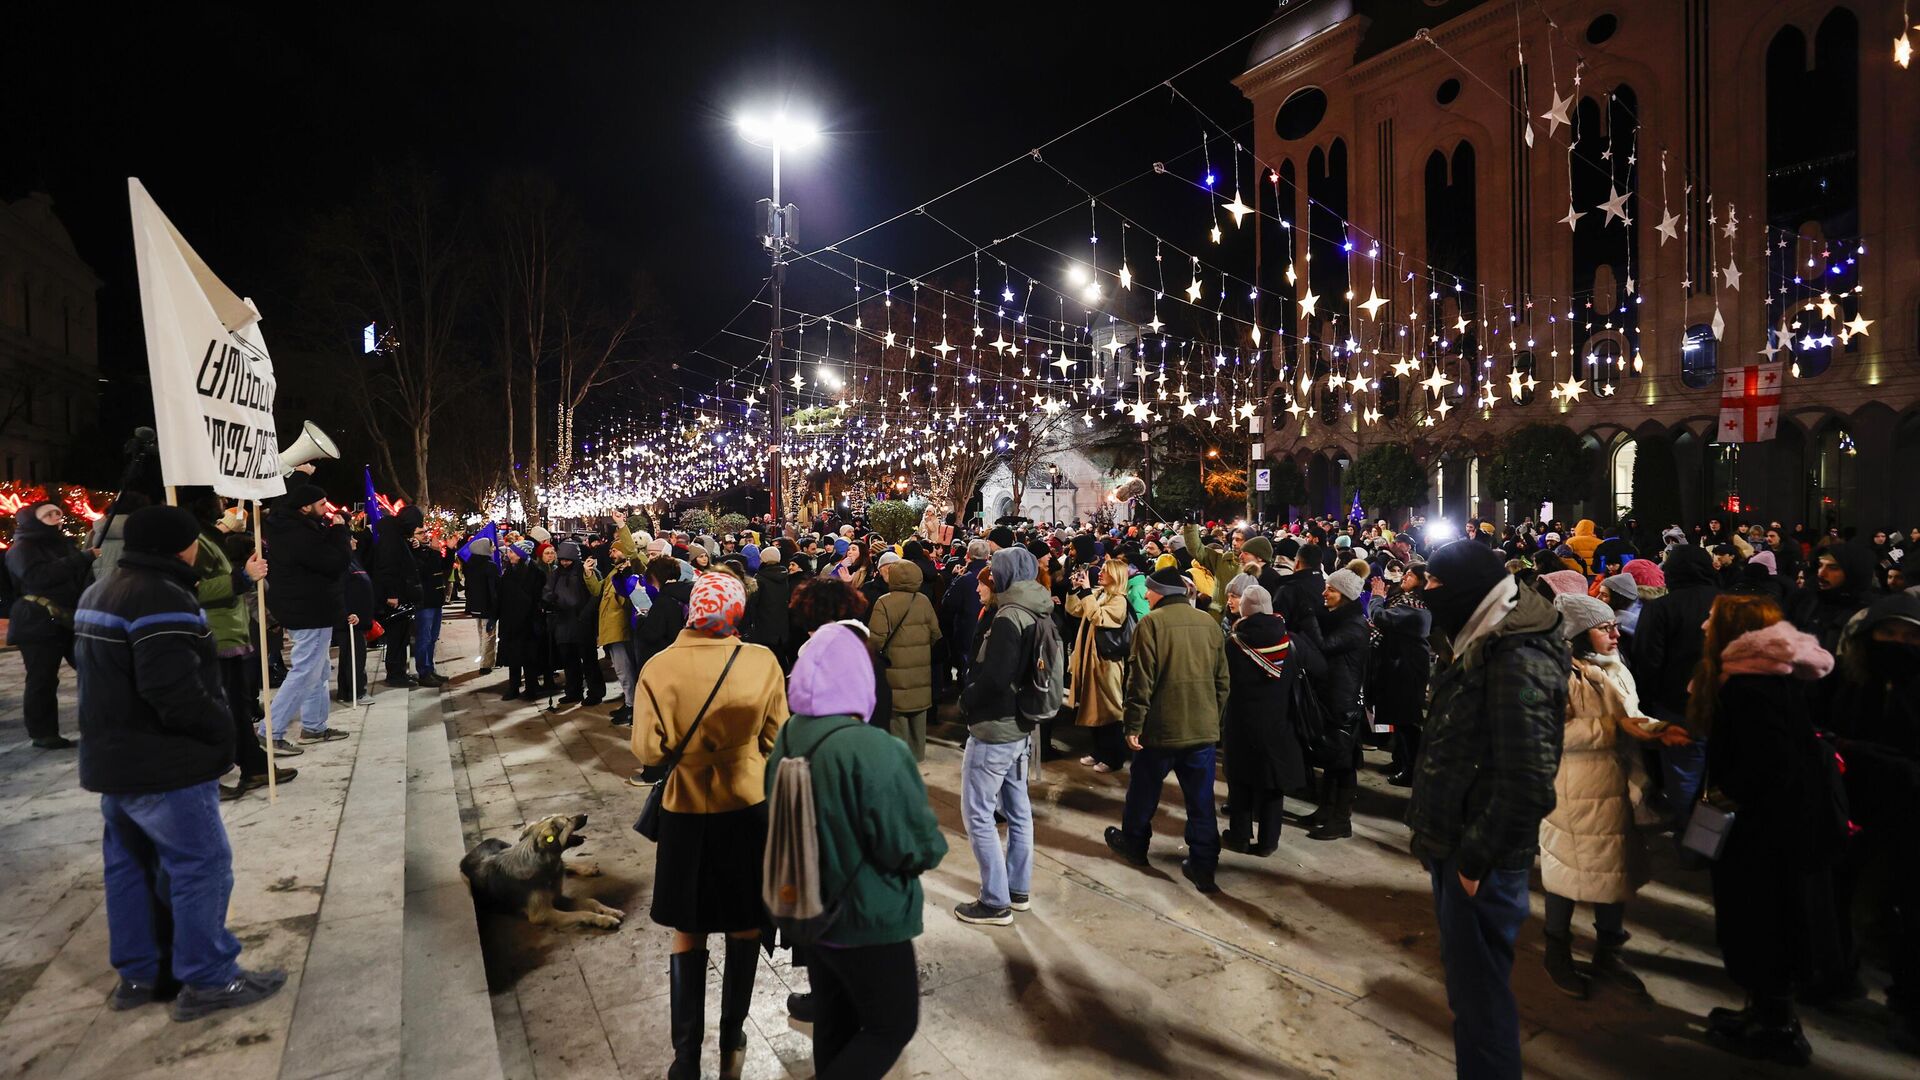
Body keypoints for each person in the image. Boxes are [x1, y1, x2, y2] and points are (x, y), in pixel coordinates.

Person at [74, 505, 288, 1020]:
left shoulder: (100, 591)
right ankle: (209, 978)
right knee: (201, 865)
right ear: (181, 546)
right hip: (162, 763)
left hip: (113, 760)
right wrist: (223, 732)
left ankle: (140, 972)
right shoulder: (161, 600)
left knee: (129, 866)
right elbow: (173, 691)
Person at [1408, 540, 1568, 1080]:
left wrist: (1475, 861)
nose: (1424, 593)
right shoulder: (1485, 635)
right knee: (1469, 994)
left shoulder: (1515, 655)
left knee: (1479, 1002)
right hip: (1457, 845)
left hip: (1477, 858)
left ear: (1468, 591)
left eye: (1433, 584)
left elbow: (1529, 780)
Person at [766, 623, 947, 1078]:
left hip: (811, 910)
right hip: (868, 918)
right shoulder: (874, 748)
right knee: (892, 1026)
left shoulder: (789, 736)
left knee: (836, 1018)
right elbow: (913, 844)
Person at [631, 571, 789, 1080]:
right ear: (736, 612)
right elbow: (778, 738)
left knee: (689, 925)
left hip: (684, 810)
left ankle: (686, 1055)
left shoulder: (658, 667)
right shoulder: (761, 662)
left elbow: (648, 751)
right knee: (745, 920)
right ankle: (732, 1033)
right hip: (745, 804)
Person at [1690, 595, 1844, 1067]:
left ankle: (1776, 1028)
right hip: (1776, 828)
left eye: (1712, 618)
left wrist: (1723, 795)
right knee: (1765, 921)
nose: (1704, 624)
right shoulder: (1763, 676)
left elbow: (1766, 766)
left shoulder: (1749, 687)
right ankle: (1761, 1011)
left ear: (1732, 630)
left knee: (1762, 923)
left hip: (1763, 835)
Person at [1538, 593, 1681, 999]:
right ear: (1579, 634)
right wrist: (1616, 730)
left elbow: (1630, 717)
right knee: (1568, 874)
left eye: (1613, 626)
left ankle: (1609, 950)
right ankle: (1556, 951)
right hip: (1574, 791)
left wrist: (1658, 729)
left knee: (1613, 872)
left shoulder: (1616, 668)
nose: (1616, 633)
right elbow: (1549, 732)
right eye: (1604, 628)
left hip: (1616, 786)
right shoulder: (1557, 673)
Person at [1825, 594, 1920, 1044]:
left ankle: (1909, 1000)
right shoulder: (1848, 680)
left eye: (1909, 636)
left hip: (1909, 812)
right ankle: (1836, 974)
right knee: (1839, 892)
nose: (1899, 644)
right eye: (1889, 634)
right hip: (1852, 807)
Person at [1104, 566, 1231, 894]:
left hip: (1160, 730)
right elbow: (1222, 682)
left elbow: (1140, 680)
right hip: (1201, 729)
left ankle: (1134, 844)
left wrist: (1133, 724)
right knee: (1201, 799)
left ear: (1160, 592)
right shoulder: (1208, 623)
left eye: (1149, 590)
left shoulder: (1151, 624)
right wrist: (1213, 718)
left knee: (1143, 792)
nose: (1145, 595)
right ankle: (1204, 864)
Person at [179, 492, 289, 801]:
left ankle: (254, 766)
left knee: (239, 706)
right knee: (223, 708)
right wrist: (243, 576)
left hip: (230, 631)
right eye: (216, 495)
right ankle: (211, 774)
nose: (222, 498)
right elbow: (193, 589)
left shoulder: (206, 534)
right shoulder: (192, 538)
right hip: (215, 634)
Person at [954, 553, 1044, 925]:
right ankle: (1018, 890)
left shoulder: (1008, 616)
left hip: (994, 728)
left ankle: (995, 901)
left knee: (977, 812)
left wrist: (966, 700)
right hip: (1020, 725)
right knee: (1018, 810)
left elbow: (995, 677)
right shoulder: (1036, 607)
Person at [1631, 543, 1720, 829]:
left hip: (1677, 706)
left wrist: (1646, 704)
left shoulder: (1661, 609)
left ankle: (1694, 845)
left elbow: (1648, 661)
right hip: (1726, 704)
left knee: (1685, 778)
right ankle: (1719, 842)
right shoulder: (1732, 603)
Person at [261, 487, 352, 752]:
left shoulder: (296, 526)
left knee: (319, 670)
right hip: (309, 611)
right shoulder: (297, 532)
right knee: (305, 673)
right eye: (322, 503)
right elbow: (334, 562)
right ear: (304, 507)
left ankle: (314, 726)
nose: (327, 508)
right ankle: (271, 731)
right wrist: (339, 532)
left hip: (311, 609)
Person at [1221, 584, 1301, 855]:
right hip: (1279, 721)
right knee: (1271, 782)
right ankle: (1269, 841)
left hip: (1241, 722)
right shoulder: (1289, 642)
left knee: (1241, 779)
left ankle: (1240, 835)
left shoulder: (1235, 644)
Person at [6, 500, 93, 748]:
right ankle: (43, 733)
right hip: (36, 621)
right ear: (33, 519)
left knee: (92, 667)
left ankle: (102, 722)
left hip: (68, 617)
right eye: (49, 513)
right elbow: (37, 577)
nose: (56, 516)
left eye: (58, 512)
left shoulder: (62, 544)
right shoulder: (22, 547)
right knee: (42, 678)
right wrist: (81, 559)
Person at [1305, 567, 1369, 841]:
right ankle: (1325, 810)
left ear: (1344, 595)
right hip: (1332, 697)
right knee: (1333, 759)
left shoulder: (1354, 626)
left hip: (1343, 702)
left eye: (1330, 589)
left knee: (1343, 763)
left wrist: (1309, 618)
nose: (1324, 593)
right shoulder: (1340, 619)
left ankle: (1341, 821)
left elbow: (1323, 645)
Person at [865, 555, 942, 762]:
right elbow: (936, 633)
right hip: (921, 673)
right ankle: (917, 762)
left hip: (894, 674)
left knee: (897, 724)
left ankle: (900, 768)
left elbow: (875, 641)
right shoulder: (923, 601)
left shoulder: (884, 603)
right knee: (918, 721)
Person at [1066, 556, 1131, 773]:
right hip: (1089, 660)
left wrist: (1086, 593)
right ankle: (1098, 751)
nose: (1100, 573)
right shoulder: (1099, 593)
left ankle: (1114, 756)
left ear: (1117, 576)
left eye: (1105, 570)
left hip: (1106, 663)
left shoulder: (1119, 600)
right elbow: (1075, 610)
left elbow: (1097, 616)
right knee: (1092, 708)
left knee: (1109, 711)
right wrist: (1075, 590)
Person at [1369, 565, 1432, 787]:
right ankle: (1400, 760)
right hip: (1400, 662)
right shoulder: (1406, 600)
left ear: (1422, 582)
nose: (1404, 577)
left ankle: (1411, 769)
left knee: (1407, 720)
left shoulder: (1416, 606)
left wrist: (1377, 597)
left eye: (1410, 575)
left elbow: (1382, 618)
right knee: (1399, 716)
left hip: (1407, 665)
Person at [542, 542, 605, 705]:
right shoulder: (556, 574)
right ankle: (573, 690)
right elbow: (548, 590)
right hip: (563, 622)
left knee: (589, 660)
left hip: (582, 623)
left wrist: (585, 613)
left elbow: (596, 593)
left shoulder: (587, 572)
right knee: (569, 660)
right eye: (562, 559)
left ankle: (595, 692)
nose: (564, 563)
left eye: (567, 560)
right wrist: (549, 600)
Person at [494, 541, 545, 700]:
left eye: (513, 552)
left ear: (523, 554)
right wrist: (494, 616)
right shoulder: (508, 571)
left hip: (528, 622)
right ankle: (513, 688)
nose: (509, 555)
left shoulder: (536, 572)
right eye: (509, 552)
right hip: (510, 621)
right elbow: (501, 596)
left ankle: (531, 689)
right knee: (513, 657)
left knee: (529, 658)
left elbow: (538, 597)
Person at [411, 531, 450, 687]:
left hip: (435, 600)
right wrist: (434, 552)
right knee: (424, 638)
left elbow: (444, 569)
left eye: (425, 532)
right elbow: (426, 572)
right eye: (420, 533)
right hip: (425, 602)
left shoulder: (428, 550)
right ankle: (424, 672)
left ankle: (430, 668)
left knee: (432, 638)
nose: (425, 535)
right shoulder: (414, 552)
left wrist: (451, 550)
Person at [463, 537, 499, 674]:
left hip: (475, 605)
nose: (493, 548)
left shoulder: (470, 565)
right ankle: (486, 664)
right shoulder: (490, 566)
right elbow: (493, 588)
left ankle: (485, 658)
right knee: (489, 635)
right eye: (491, 546)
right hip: (487, 605)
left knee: (481, 633)